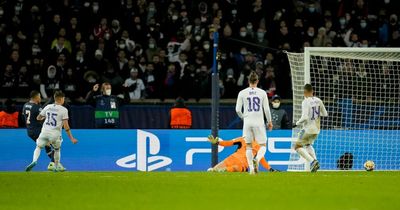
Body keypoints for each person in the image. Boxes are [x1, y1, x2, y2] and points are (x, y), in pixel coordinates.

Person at [25, 91, 78, 172]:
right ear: (61, 99)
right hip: (55, 134)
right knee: (57, 149)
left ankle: (34, 160)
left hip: (44, 132)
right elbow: (66, 126)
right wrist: (71, 138)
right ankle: (56, 166)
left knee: (38, 147)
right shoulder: (64, 110)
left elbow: (38, 118)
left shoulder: (48, 107)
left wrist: (44, 117)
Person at [235, 71, 273, 174]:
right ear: (257, 81)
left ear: (248, 81)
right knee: (263, 145)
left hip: (247, 122)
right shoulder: (262, 92)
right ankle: (257, 159)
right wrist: (269, 121)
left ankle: (251, 169)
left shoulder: (242, 93)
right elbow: (266, 110)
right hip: (258, 122)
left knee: (248, 146)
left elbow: (238, 110)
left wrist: (244, 118)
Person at [293, 84, 328, 172]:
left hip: (307, 129)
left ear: (304, 92)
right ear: (312, 91)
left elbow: (304, 117)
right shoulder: (318, 100)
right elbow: (325, 114)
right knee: (308, 144)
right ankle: (315, 162)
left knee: (297, 146)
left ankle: (313, 161)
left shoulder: (305, 102)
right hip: (316, 129)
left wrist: (296, 123)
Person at [22, 91, 56, 170]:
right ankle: (53, 163)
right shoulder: (37, 107)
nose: (40, 98)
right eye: (39, 97)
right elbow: (43, 117)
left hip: (29, 132)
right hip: (38, 131)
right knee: (54, 145)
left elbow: (23, 116)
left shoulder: (25, 105)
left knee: (45, 145)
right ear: (36, 97)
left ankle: (35, 161)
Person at [207, 135, 278, 172]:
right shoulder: (242, 138)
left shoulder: (259, 145)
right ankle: (220, 170)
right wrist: (216, 142)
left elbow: (261, 159)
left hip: (242, 164)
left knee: (235, 168)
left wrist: (270, 169)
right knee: (213, 170)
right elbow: (228, 143)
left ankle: (224, 170)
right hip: (231, 158)